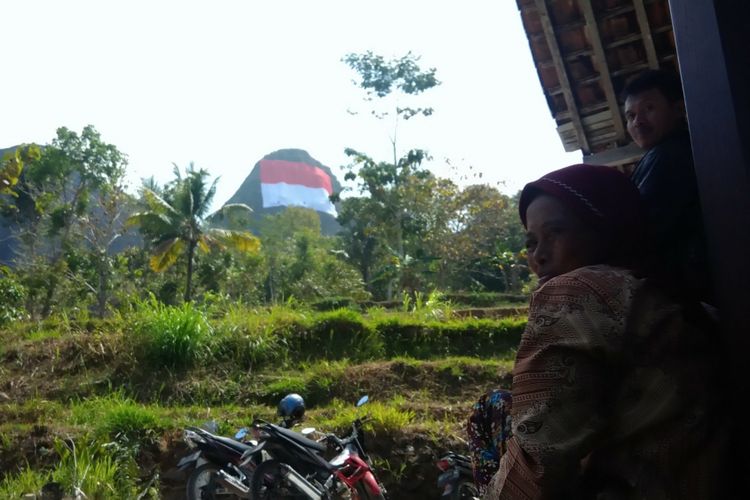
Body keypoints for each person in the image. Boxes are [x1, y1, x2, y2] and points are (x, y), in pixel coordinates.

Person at [483, 164, 728, 499]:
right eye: (531, 241)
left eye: (556, 232)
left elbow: (538, 465)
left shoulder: (579, 292)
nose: (538, 255)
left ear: (604, 229)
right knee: (499, 405)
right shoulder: (680, 301)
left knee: (489, 413)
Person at [623, 69, 712, 305]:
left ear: (678, 109)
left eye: (648, 109)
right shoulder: (674, 150)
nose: (638, 122)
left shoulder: (668, 155)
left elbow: (639, 233)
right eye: (630, 116)